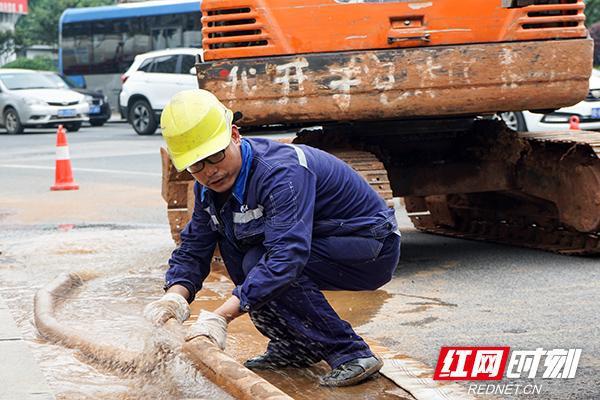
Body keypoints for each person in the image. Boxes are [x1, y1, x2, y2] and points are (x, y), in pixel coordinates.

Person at [144, 89, 401, 387]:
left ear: (235, 135)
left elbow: (287, 258)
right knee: (238, 249)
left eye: (215, 155)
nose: (210, 171)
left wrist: (221, 316)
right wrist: (174, 296)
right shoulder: (208, 190)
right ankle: (294, 346)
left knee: (263, 263)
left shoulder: (281, 173)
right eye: (196, 165)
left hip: (369, 244)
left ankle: (349, 352)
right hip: (322, 240)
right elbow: (194, 248)